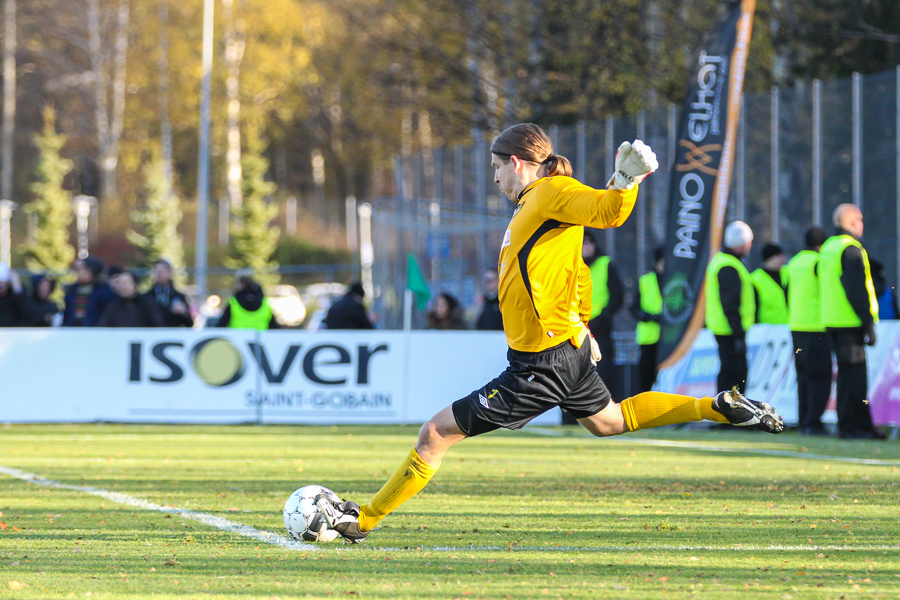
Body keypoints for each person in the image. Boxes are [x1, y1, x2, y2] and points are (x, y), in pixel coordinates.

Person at [313, 123, 784, 544]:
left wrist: (624, 182)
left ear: (517, 163)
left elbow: (607, 212)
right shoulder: (535, 205)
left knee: (434, 433)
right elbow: (576, 271)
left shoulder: (548, 193)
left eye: (497, 167)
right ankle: (716, 407)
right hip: (564, 349)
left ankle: (364, 520)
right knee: (610, 421)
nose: (494, 176)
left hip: (541, 362)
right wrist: (581, 321)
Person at [819, 204, 884, 439]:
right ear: (854, 221)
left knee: (848, 376)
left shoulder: (828, 247)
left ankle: (857, 425)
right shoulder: (851, 249)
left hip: (832, 320)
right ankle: (853, 426)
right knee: (854, 377)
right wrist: (868, 323)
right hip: (849, 321)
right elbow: (856, 289)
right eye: (861, 220)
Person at [784, 227, 831, 435]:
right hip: (817, 327)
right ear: (821, 245)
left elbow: (787, 292)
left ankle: (804, 420)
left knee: (803, 377)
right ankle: (813, 422)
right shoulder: (818, 263)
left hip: (796, 326)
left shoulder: (794, 262)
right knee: (820, 377)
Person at [705, 220, 755, 394]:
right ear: (740, 244)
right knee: (735, 375)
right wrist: (738, 333)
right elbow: (731, 303)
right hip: (730, 330)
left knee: (728, 372)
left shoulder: (720, 261)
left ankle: (725, 414)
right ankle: (730, 416)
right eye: (748, 242)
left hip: (724, 328)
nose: (750, 245)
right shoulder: (729, 266)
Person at [582, 232, 623, 396]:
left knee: (604, 370)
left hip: (600, 328)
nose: (587, 247)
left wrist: (605, 315)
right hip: (576, 328)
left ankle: (607, 406)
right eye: (583, 243)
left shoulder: (605, 264)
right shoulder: (572, 266)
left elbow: (617, 296)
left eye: (590, 243)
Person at [630, 247, 664, 393]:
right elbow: (634, 308)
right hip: (649, 337)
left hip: (668, 338)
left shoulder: (676, 280)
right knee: (646, 377)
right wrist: (649, 317)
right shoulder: (646, 281)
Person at [98, 270, 164, 327]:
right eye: (120, 284)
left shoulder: (148, 303)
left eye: (126, 283)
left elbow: (157, 324)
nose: (123, 287)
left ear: (134, 284)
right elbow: (103, 326)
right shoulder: (113, 306)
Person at [62, 256, 115, 327]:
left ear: (90, 270)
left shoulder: (104, 291)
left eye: (79, 269)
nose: (76, 272)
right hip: (72, 331)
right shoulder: (71, 290)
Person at [144, 259, 193, 327]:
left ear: (170, 273)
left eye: (163, 270)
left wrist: (183, 313)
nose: (159, 272)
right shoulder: (146, 298)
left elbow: (190, 324)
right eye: (156, 270)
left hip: (173, 335)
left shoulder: (179, 297)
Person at [751, 242, 788, 324]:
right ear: (769, 259)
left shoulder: (787, 273)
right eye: (777, 256)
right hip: (767, 329)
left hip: (789, 327)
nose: (782, 259)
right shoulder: (755, 279)